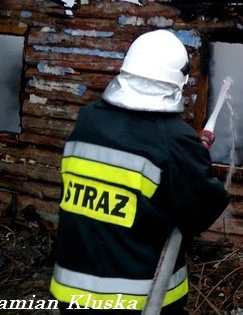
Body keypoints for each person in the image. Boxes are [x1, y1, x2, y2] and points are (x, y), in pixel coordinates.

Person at [49, 30, 230, 313]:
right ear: (178, 83)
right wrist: (193, 160)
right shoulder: (174, 140)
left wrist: (187, 157)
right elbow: (203, 210)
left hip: (71, 291)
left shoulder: (88, 120)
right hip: (139, 299)